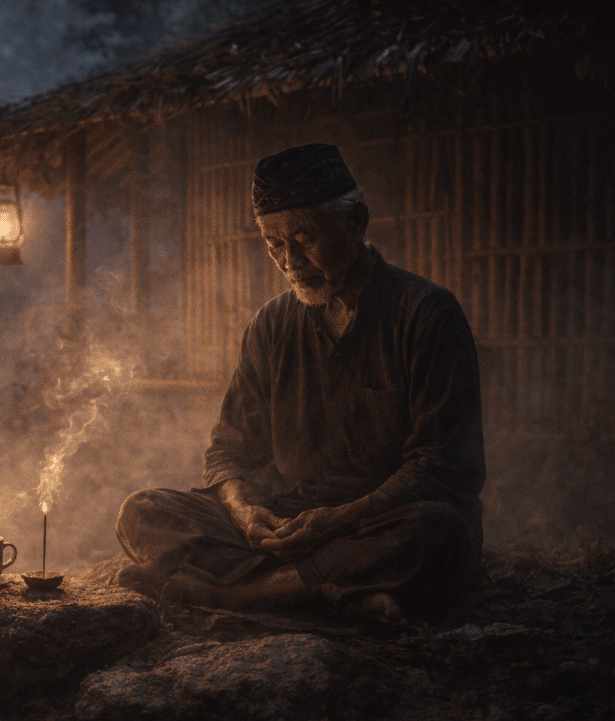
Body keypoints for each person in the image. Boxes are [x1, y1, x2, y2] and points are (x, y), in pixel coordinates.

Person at [115, 143, 485, 626]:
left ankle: (241, 594)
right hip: (289, 521)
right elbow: (228, 449)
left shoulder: (427, 314)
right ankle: (322, 591)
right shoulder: (271, 324)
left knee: (438, 530)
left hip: (377, 523)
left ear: (355, 223)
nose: (290, 261)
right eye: (274, 244)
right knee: (143, 511)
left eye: (304, 238)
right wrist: (244, 511)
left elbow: (445, 468)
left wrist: (341, 519)